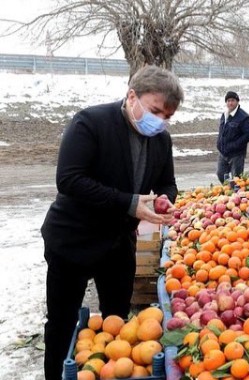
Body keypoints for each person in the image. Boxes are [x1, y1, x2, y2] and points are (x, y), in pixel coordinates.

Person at [40, 65, 183, 380]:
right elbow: (69, 179)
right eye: (155, 110)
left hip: (118, 243)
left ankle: (107, 373)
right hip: (72, 239)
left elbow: (167, 183)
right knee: (62, 322)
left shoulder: (161, 141)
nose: (160, 121)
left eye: (167, 116)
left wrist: (165, 200)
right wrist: (130, 203)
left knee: (117, 320)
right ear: (132, 95)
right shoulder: (91, 123)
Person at [216, 91, 249, 183]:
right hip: (223, 153)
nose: (230, 103)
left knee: (237, 179)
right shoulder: (224, 115)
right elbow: (222, 131)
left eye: (232, 100)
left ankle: (236, 194)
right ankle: (228, 190)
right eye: (228, 101)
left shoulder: (243, 117)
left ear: (237, 102)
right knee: (220, 174)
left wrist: (235, 145)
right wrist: (219, 143)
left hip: (236, 155)